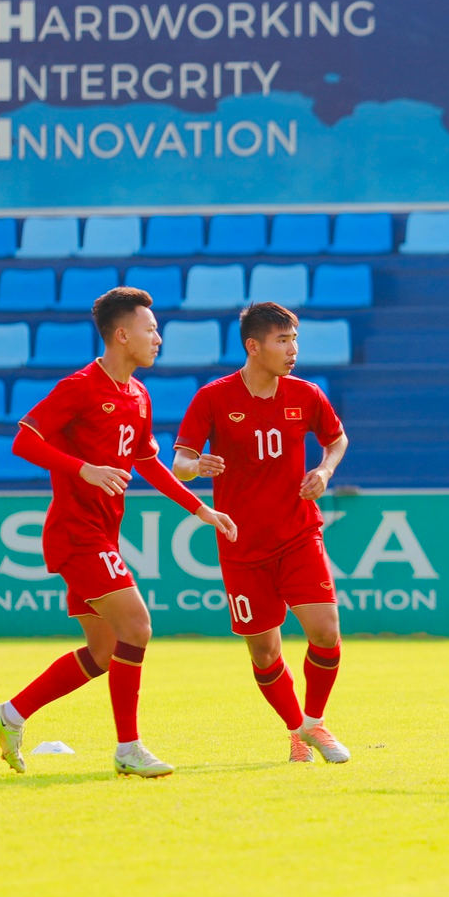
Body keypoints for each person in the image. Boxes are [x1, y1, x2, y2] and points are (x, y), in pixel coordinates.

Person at [0, 288, 238, 778]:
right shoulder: (80, 386)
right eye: (151, 329)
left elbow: (148, 462)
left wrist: (199, 509)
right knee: (137, 628)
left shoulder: (138, 395)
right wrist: (84, 470)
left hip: (102, 533)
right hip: (76, 534)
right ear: (122, 335)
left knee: (103, 652)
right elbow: (23, 440)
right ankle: (128, 748)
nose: (158, 338)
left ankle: (9, 715)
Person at [172, 302, 353, 764]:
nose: (293, 350)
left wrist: (326, 470)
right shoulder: (214, 397)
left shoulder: (307, 395)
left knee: (326, 631)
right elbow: (180, 462)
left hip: (298, 532)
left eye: (294, 340)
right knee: (264, 648)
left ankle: (314, 723)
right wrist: (197, 466)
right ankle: (296, 731)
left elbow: (336, 439)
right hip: (241, 545)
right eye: (282, 340)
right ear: (254, 346)